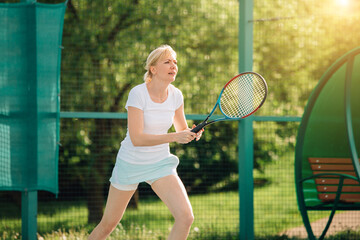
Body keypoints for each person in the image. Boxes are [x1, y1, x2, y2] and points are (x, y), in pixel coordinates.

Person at [88, 45, 204, 240]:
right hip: (130, 163)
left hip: (160, 164)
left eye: (175, 62)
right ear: (153, 68)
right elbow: (137, 138)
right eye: (167, 61)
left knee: (185, 217)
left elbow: (181, 131)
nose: (173, 65)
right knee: (107, 225)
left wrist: (192, 133)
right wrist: (176, 137)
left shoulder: (176, 95)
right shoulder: (138, 93)